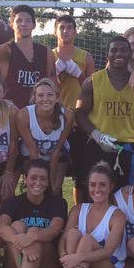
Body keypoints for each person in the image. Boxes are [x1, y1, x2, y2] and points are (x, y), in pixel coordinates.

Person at [40, 162, 128, 268]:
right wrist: (65, 257)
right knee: (73, 234)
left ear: (111, 187)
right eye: (93, 185)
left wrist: (78, 258)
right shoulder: (78, 209)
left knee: (87, 239)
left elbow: (108, 251)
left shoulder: (117, 215)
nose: (97, 190)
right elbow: (63, 239)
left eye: (102, 185)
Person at [75, 36, 134, 193]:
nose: (119, 53)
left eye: (124, 50)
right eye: (114, 50)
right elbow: (80, 114)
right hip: (100, 145)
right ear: (107, 54)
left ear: (129, 54)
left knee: (126, 195)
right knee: (97, 194)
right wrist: (97, 135)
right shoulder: (92, 81)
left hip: (129, 146)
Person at [0, 159, 67, 268]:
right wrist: (22, 241)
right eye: (33, 178)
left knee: (34, 231)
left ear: (48, 181)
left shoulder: (58, 203)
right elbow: (1, 228)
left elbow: (55, 230)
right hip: (16, 267)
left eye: (43, 179)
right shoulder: (12, 202)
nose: (38, 182)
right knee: (17, 227)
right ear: (25, 179)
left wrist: (32, 236)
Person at [53, 14, 94, 186]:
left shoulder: (85, 56)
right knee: (55, 167)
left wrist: (78, 73)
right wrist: (54, 74)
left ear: (75, 31)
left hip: (78, 118)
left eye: (69, 27)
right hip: (54, 117)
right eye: (62, 27)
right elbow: (42, 87)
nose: (65, 31)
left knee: (80, 171)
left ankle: (79, 210)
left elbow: (94, 88)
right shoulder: (49, 55)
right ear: (55, 31)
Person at [16, 78, 74, 196]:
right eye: (41, 95)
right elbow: (33, 152)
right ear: (35, 98)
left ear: (57, 97)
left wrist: (50, 182)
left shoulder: (67, 115)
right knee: (35, 189)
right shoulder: (24, 115)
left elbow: (56, 151)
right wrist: (37, 176)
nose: (45, 99)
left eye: (50, 95)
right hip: (31, 155)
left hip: (57, 154)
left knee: (54, 190)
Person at [0, 4, 56, 106]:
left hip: (38, 113)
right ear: (12, 25)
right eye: (19, 21)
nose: (24, 24)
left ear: (34, 25)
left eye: (28, 20)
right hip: (11, 112)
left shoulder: (46, 52)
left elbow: (53, 83)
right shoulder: (6, 50)